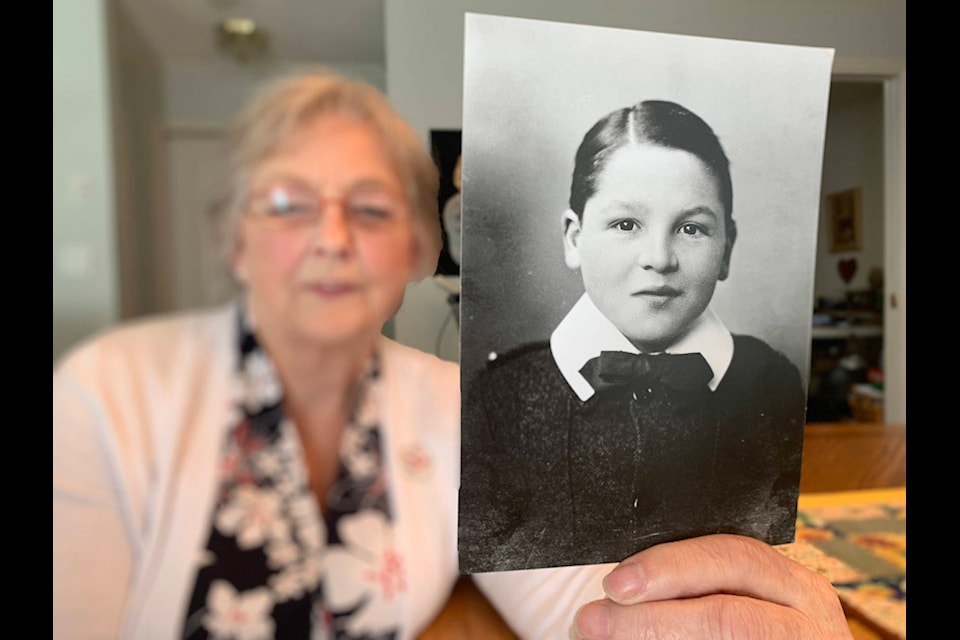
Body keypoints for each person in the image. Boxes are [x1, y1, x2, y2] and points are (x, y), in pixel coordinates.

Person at [53, 71, 849, 640]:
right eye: (288, 203)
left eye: (369, 208)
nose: (331, 240)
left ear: (414, 249)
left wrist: (715, 613)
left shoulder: (456, 403)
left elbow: (571, 606)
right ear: (235, 239)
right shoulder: (107, 390)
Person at [459, 100, 807, 573]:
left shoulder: (772, 383)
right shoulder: (499, 397)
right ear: (574, 239)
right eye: (626, 224)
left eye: (691, 228)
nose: (659, 258)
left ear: (727, 247)